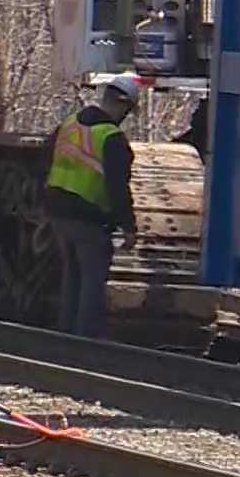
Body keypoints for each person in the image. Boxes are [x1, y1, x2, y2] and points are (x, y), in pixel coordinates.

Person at [41, 75, 139, 336]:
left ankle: (65, 334)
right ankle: (84, 341)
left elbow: (45, 156)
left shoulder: (70, 124)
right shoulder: (111, 138)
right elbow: (118, 188)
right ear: (122, 106)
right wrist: (129, 227)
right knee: (92, 281)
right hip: (88, 217)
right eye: (127, 111)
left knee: (72, 277)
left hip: (57, 211)